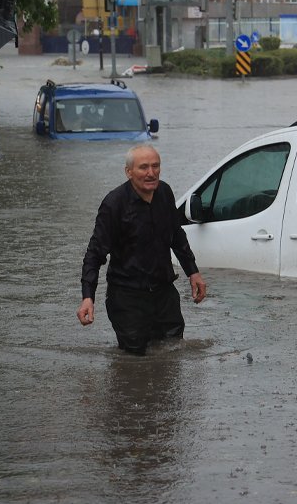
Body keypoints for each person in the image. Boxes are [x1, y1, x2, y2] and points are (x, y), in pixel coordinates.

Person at [78, 144, 207, 355]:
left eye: (155, 166)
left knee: (173, 352)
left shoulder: (164, 193)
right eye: (144, 167)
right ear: (129, 172)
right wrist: (87, 297)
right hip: (128, 299)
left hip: (164, 294)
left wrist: (193, 272)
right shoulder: (114, 204)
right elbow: (95, 254)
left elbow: (177, 235)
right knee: (134, 360)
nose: (151, 173)